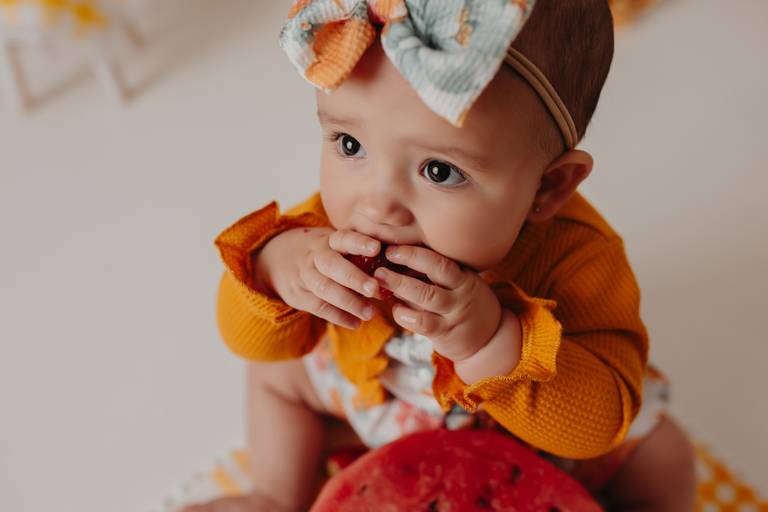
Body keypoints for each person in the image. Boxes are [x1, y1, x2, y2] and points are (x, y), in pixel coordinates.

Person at [183, 1, 695, 510]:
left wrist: (491, 341)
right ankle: (274, 494)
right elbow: (245, 339)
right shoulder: (328, 227)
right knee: (274, 376)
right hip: (374, 399)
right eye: (350, 144)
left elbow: (598, 425)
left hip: (530, 436)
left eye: (439, 172)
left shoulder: (579, 258)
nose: (376, 205)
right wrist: (276, 270)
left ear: (547, 187)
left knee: (661, 453)